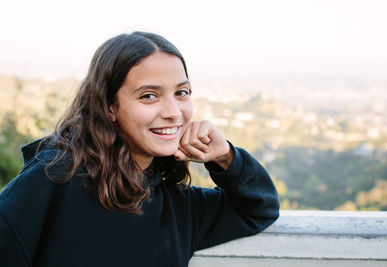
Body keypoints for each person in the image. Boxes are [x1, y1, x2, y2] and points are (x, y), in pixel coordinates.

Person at [0, 31, 279, 267]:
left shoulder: (178, 208)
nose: (173, 112)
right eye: (149, 96)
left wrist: (226, 156)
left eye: (181, 92)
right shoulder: (55, 176)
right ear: (109, 106)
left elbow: (258, 208)